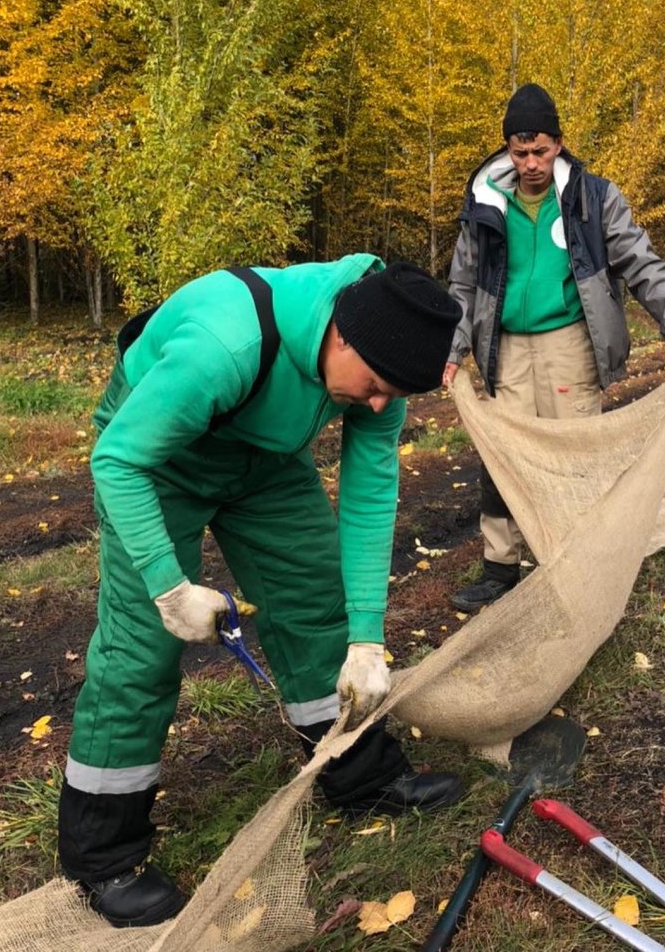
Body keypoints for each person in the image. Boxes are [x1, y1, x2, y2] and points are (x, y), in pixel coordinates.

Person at [58, 255, 464, 929]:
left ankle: (359, 774)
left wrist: (366, 636)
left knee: (314, 601)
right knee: (142, 650)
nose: (378, 405)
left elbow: (369, 495)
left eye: (395, 394)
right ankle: (102, 858)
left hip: (265, 459)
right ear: (340, 336)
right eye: (373, 387)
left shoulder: (382, 353)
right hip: (156, 459)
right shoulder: (226, 343)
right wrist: (167, 585)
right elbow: (119, 461)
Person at [443, 83, 665, 612]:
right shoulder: (486, 202)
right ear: (507, 150)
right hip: (505, 348)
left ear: (559, 143)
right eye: (520, 153)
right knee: (504, 457)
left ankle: (570, 566)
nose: (531, 163)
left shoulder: (594, 198)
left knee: (570, 454)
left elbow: (641, 263)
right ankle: (500, 568)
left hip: (571, 343)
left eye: (541, 150)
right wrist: (453, 351)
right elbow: (463, 284)